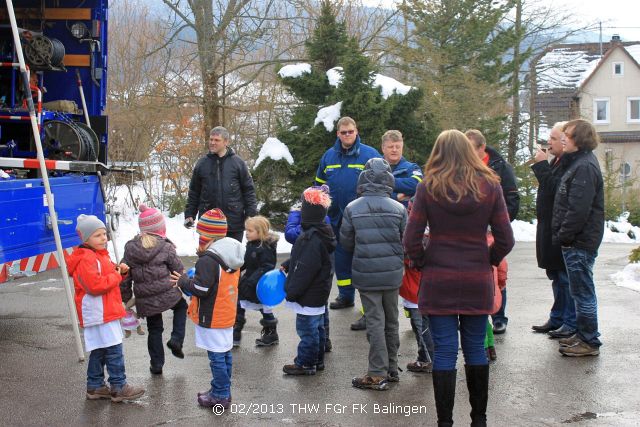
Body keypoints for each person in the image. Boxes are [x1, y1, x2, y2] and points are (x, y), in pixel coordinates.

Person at [404, 130, 514, 426]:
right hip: (477, 277)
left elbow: (411, 237)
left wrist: (423, 261)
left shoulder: (428, 187)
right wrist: (487, 259)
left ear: (438, 153)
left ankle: (445, 423)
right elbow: (506, 239)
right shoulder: (490, 185)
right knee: (476, 348)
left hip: (439, 278)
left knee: (445, 351)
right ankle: (479, 420)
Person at [340, 158, 407, 390]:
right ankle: (391, 366)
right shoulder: (399, 209)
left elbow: (346, 243)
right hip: (392, 274)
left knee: (375, 321)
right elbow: (405, 240)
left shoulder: (352, 208)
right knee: (392, 319)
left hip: (366, 273)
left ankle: (377, 372)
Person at [65, 214, 145, 402]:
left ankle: (95, 386)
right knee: (114, 348)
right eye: (97, 235)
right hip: (99, 312)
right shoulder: (86, 258)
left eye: (104, 234)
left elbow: (107, 276)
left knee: (100, 349)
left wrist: (120, 272)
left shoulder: (98, 255)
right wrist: (117, 277)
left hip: (103, 310)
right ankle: (119, 386)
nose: (103, 238)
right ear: (86, 239)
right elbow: (95, 286)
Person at [349, 130, 422, 332]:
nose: (394, 150)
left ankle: (413, 314)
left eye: (398, 146)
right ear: (383, 148)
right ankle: (368, 315)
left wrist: (382, 184)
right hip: (374, 226)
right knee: (374, 273)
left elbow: (417, 185)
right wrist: (396, 192)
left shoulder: (412, 168)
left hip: (399, 228)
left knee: (404, 276)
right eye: (390, 146)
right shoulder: (371, 166)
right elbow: (362, 189)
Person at [171, 209, 245, 408]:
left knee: (216, 357)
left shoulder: (208, 260)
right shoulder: (231, 255)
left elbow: (201, 289)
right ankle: (222, 388)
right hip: (226, 313)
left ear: (206, 235)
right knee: (224, 353)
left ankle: (220, 394)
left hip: (212, 316)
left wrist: (184, 281)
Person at [315, 117, 381, 312]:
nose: (347, 135)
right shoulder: (328, 157)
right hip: (336, 217)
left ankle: (367, 301)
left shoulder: (370, 155)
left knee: (364, 259)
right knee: (342, 258)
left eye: (350, 132)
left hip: (363, 218)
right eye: (343, 132)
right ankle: (345, 296)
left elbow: (381, 184)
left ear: (356, 131)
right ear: (338, 134)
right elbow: (319, 184)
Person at [552, 119, 604, 357]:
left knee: (583, 292)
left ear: (579, 140)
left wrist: (564, 235)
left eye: (568, 135)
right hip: (576, 240)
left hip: (579, 242)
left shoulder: (584, 166)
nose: (563, 139)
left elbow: (578, 209)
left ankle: (589, 340)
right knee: (579, 291)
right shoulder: (578, 163)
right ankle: (583, 334)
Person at [120, 204, 187, 375]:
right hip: (168, 292)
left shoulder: (130, 248)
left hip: (145, 299)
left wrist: (126, 298)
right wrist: (184, 283)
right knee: (181, 307)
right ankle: (176, 339)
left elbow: (125, 275)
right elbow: (178, 270)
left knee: (154, 328)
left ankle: (157, 364)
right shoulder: (166, 246)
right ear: (161, 227)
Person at [466, 129, 519, 335]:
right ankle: (473, 315)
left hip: (493, 230)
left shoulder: (500, 167)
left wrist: (498, 223)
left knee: (498, 273)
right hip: (470, 231)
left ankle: (499, 317)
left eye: (470, 149)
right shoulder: (461, 167)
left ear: (482, 148)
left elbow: (512, 200)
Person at [281, 187, 337, 376]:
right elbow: (309, 259)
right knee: (318, 328)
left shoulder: (310, 239)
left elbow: (305, 269)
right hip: (319, 293)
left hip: (308, 296)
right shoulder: (322, 233)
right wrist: (290, 263)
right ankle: (317, 360)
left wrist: (292, 291)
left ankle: (305, 362)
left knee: (307, 331)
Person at [531, 122, 577, 339]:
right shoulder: (559, 161)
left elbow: (556, 189)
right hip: (549, 226)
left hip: (561, 228)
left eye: (553, 138)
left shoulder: (570, 163)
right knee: (556, 275)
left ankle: (568, 321)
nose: (549, 142)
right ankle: (558, 318)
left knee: (564, 277)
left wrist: (542, 166)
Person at [184, 126, 257, 242]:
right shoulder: (202, 164)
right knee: (208, 259)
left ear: (226, 142)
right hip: (208, 223)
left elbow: (248, 191)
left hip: (233, 224)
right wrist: (189, 214)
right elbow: (194, 192)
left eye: (216, 140)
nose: (212, 143)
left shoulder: (238, 163)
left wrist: (251, 216)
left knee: (231, 259)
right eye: (211, 139)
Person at [400, 198, 434, 373]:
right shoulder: (435, 227)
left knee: (421, 326)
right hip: (424, 287)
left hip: (416, 288)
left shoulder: (417, 232)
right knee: (424, 324)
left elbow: (411, 254)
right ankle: (427, 356)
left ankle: (427, 359)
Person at [235, 215, 280, 347]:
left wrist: (253, 280)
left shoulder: (265, 247)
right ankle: (235, 332)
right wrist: (236, 268)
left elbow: (267, 266)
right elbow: (247, 262)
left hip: (259, 284)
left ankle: (271, 333)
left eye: (250, 231)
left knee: (264, 308)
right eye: (246, 230)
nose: (246, 233)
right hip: (248, 281)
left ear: (260, 232)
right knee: (239, 305)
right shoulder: (251, 245)